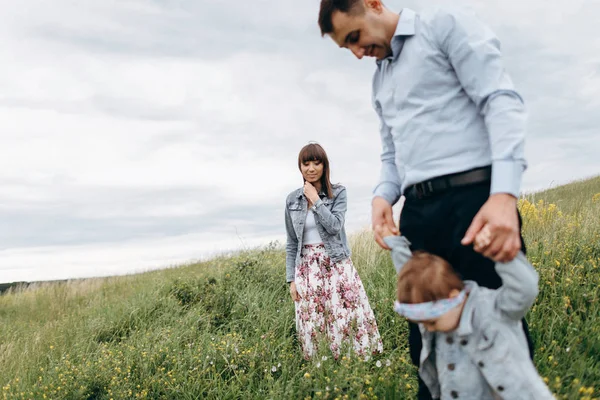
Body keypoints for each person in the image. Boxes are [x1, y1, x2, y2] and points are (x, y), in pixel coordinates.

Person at [317, 1, 532, 397]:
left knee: (496, 332)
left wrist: (504, 195)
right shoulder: (380, 80)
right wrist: (383, 196)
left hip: (477, 203)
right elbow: (391, 155)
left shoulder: (444, 25)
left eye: (355, 38)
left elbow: (500, 100)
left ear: (373, 5)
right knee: (427, 339)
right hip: (418, 213)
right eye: (347, 48)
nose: (358, 53)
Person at [376, 224, 554, 399]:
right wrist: (394, 243)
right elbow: (411, 274)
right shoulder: (440, 318)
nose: (428, 329)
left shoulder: (492, 308)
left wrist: (498, 250)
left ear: (452, 298)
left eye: (431, 322)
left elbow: (525, 289)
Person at [285, 143, 383, 360]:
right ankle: (322, 366)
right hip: (307, 269)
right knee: (313, 319)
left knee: (344, 315)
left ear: (324, 165)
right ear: (299, 167)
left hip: (336, 263)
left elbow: (335, 226)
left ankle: (353, 362)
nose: (311, 168)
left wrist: (316, 200)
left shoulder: (338, 192)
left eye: (316, 163)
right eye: (306, 163)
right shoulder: (292, 200)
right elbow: (292, 242)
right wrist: (291, 279)